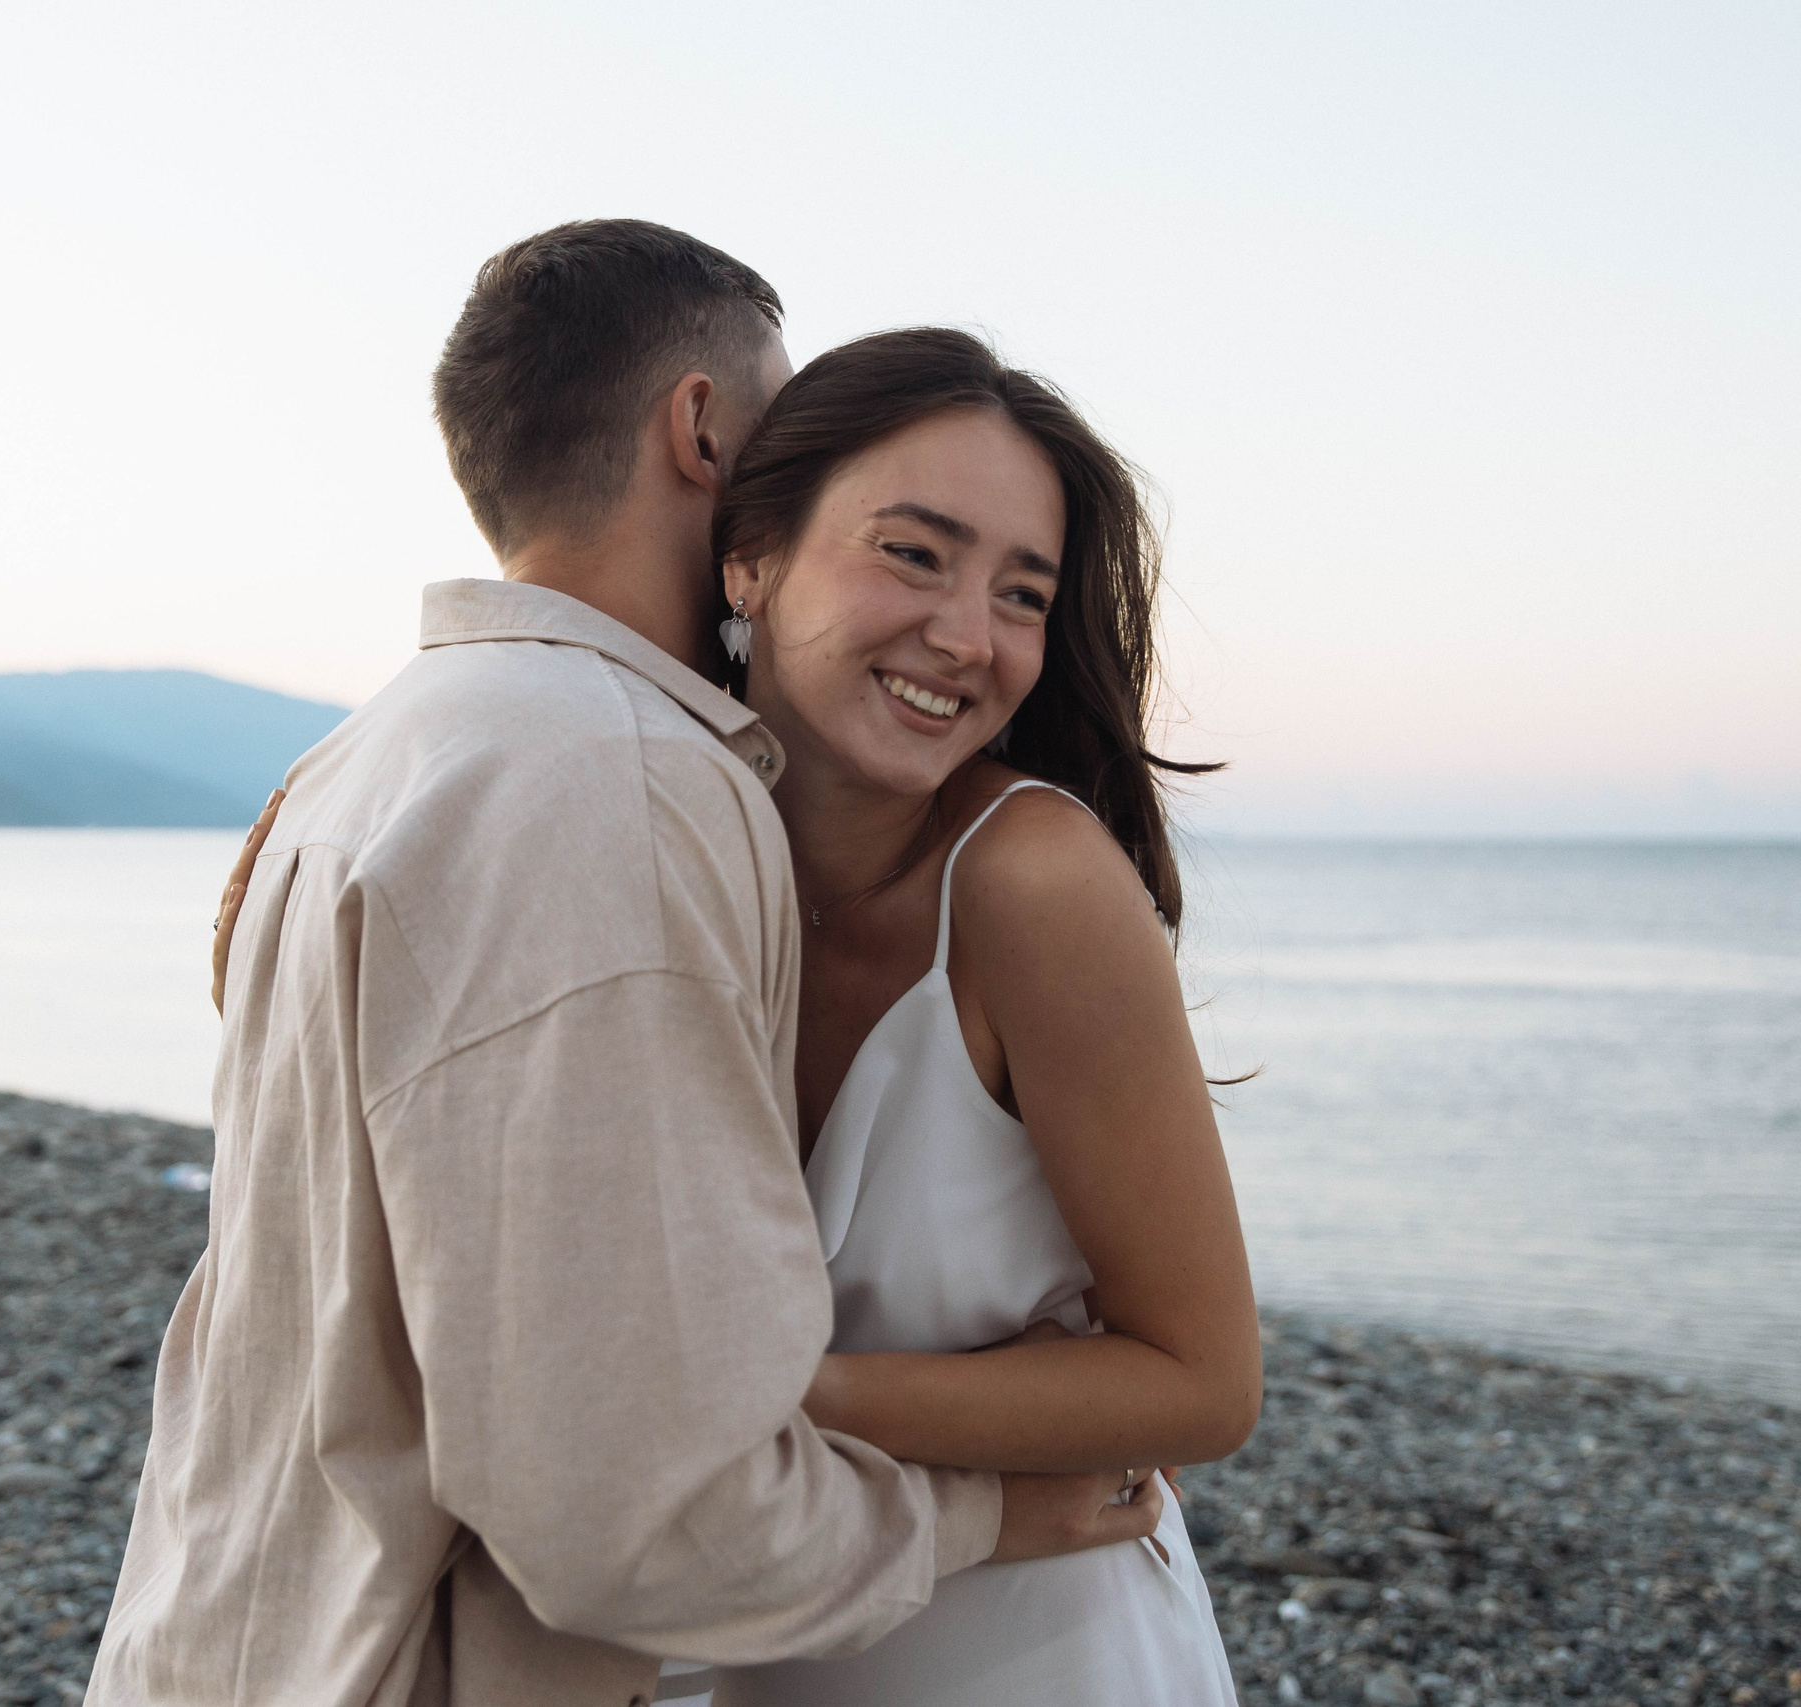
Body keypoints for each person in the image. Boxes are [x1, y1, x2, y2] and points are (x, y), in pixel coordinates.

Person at [91, 220, 1159, 1707]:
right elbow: (634, 1508)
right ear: (705, 431)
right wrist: (973, 1513)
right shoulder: (615, 786)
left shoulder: (367, 758)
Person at [705, 327, 1259, 1704]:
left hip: (1037, 1639)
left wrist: (770, 1400)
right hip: (767, 1628)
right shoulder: (671, 856)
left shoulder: (1028, 883)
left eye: (1024, 593)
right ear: (749, 557)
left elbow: (1201, 1383)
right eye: (915, 552)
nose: (969, 637)